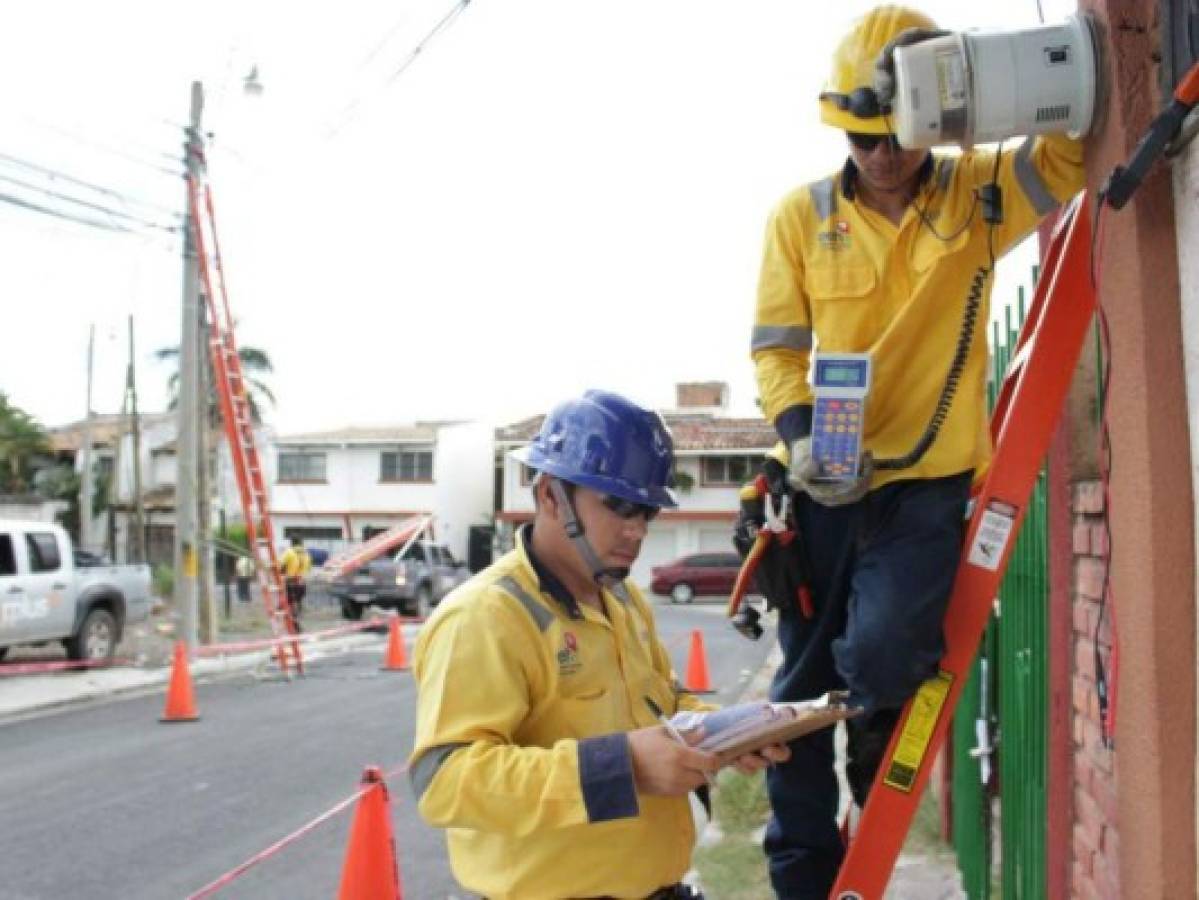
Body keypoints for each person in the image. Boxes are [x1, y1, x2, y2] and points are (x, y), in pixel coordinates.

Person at [749, 6, 1085, 896]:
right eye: (860, 138)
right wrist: (795, 440)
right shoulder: (799, 218)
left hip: (924, 490)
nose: (878, 155)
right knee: (798, 692)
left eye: (894, 133)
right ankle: (802, 876)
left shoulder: (977, 192)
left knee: (888, 650)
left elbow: (1072, 154)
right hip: (823, 486)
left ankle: (874, 781)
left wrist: (978, 94)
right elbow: (777, 352)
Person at [408, 390, 789, 900]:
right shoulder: (485, 617)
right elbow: (445, 783)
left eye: (646, 512)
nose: (635, 530)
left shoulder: (623, 599)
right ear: (549, 496)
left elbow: (663, 706)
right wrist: (623, 766)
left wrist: (728, 732)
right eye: (617, 506)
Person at [277, 537, 311, 629]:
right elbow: (308, 568)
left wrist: (281, 572)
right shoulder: (306, 553)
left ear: (292, 543)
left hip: (291, 581)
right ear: (301, 543)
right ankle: (296, 620)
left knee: (289, 603)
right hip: (302, 582)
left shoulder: (289, 552)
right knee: (297, 601)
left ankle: (294, 624)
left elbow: (280, 565)